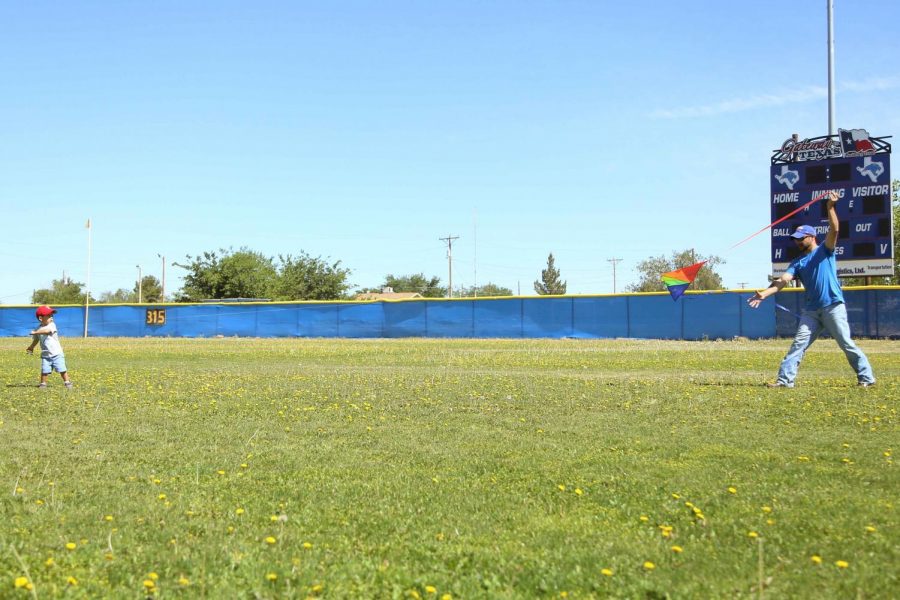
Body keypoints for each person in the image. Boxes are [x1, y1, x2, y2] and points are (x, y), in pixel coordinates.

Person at [748, 190, 875, 388]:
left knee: (845, 344)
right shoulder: (797, 262)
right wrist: (764, 293)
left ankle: (866, 378)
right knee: (798, 345)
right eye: (796, 238)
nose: (797, 241)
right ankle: (784, 381)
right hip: (812, 312)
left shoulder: (825, 250)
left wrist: (830, 207)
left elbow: (834, 230)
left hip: (833, 306)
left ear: (812, 236)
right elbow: (783, 280)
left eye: (801, 237)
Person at [25, 305, 73, 389]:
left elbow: (47, 331)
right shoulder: (38, 328)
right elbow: (36, 340)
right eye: (49, 316)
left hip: (57, 353)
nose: (52, 318)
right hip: (46, 355)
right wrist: (31, 347)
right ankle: (43, 384)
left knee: (62, 369)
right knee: (44, 370)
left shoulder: (52, 325)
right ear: (41, 318)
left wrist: (36, 332)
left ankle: (67, 382)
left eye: (52, 316)